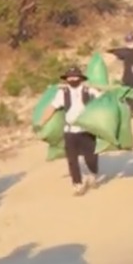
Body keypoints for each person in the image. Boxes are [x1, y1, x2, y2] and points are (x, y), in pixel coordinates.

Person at [35, 66, 104, 196]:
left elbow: (103, 100)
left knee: (91, 157)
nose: (72, 79)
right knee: (72, 160)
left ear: (80, 78)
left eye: (75, 76)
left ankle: (92, 174)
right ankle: (77, 184)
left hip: (87, 130)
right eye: (70, 77)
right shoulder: (62, 93)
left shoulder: (89, 90)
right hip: (70, 132)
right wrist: (42, 122)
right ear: (66, 79)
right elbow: (52, 107)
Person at [108, 33, 133, 116]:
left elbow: (117, 52)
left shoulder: (130, 51)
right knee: (130, 93)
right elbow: (117, 51)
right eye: (129, 41)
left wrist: (109, 51)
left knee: (128, 93)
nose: (130, 43)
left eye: (131, 41)